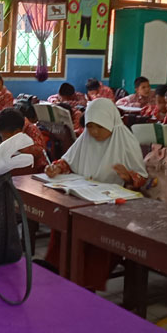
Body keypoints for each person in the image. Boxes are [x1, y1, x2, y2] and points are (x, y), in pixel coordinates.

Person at [44, 99, 147, 291]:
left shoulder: (125, 141)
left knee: (95, 230)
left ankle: (87, 281)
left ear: (111, 123)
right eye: (90, 127)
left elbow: (142, 178)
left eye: (99, 127)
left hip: (113, 206)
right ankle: (59, 269)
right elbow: (68, 161)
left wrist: (129, 176)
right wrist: (55, 167)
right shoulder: (86, 139)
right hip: (84, 197)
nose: (94, 132)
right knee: (63, 220)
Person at [0, 108, 48, 173]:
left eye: (5, 137)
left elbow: (40, 151)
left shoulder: (32, 131)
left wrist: (19, 146)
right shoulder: (17, 130)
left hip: (34, 171)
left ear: (17, 132)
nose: (3, 140)